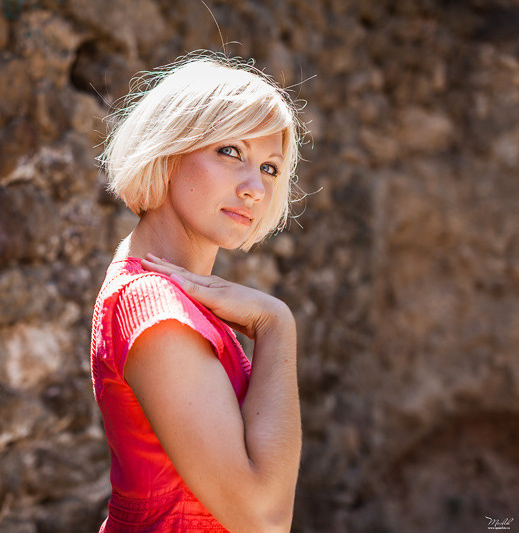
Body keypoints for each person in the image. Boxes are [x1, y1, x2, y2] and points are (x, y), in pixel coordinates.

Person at [90, 53, 303, 532]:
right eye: (231, 151)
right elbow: (264, 519)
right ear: (168, 150)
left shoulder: (162, 295)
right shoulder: (156, 307)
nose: (255, 188)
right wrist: (277, 326)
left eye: (270, 168)